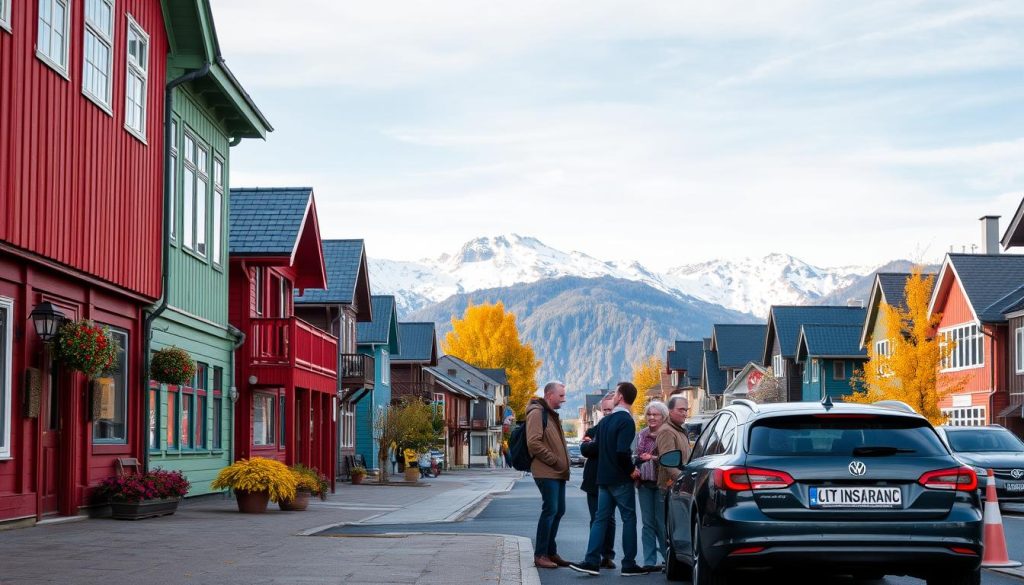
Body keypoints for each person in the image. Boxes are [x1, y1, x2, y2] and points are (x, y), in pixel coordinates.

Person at [570, 382, 647, 576]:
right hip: (620, 479)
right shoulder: (627, 422)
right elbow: (622, 452)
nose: (613, 397)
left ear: (620, 396)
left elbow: (596, 447)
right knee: (629, 519)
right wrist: (632, 471)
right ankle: (629, 564)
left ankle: (591, 561)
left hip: (602, 479)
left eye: (615, 394)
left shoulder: (605, 422)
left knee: (599, 520)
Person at [527, 381, 571, 569]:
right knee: (550, 510)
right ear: (549, 395)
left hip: (557, 472)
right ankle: (541, 554)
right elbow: (534, 443)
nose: (564, 399)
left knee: (558, 510)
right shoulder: (537, 413)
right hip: (547, 471)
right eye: (561, 396)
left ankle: (551, 552)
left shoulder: (551, 415)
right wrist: (554, 460)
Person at [580, 393, 617, 569]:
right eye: (605, 410)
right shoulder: (594, 429)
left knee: (609, 519)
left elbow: (593, 447)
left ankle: (607, 555)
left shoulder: (620, 426)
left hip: (611, 479)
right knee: (596, 518)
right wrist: (592, 445)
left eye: (611, 409)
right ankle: (596, 554)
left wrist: (594, 445)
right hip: (593, 480)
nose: (608, 413)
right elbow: (585, 449)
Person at [633, 400, 669, 572]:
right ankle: (649, 561)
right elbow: (636, 456)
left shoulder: (667, 433)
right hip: (645, 483)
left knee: (661, 523)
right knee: (647, 523)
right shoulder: (641, 434)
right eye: (649, 414)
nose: (651, 417)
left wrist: (652, 458)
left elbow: (671, 459)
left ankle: (667, 558)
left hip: (662, 483)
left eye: (655, 414)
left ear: (663, 417)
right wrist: (635, 467)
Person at [658, 396, 692, 490]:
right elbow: (668, 464)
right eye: (681, 410)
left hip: (679, 486)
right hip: (672, 488)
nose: (684, 414)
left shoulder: (679, 430)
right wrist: (684, 481)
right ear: (670, 411)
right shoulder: (667, 431)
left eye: (686, 410)